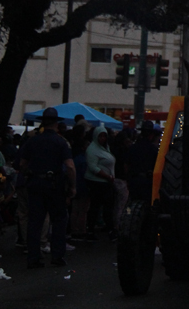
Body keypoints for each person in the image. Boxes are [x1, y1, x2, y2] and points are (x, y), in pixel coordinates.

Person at [20, 107, 76, 268]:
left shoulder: (32, 141)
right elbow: (70, 166)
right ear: (56, 124)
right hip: (54, 185)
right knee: (58, 220)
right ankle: (57, 255)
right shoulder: (61, 142)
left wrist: (28, 175)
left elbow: (22, 164)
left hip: (35, 184)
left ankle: (33, 257)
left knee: (35, 222)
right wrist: (72, 186)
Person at [85, 125, 118, 242]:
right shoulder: (92, 150)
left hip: (106, 182)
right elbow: (93, 167)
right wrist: (107, 176)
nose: (103, 138)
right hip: (97, 183)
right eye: (100, 136)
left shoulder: (105, 148)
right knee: (96, 207)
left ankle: (109, 230)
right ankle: (91, 230)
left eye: (104, 136)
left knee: (107, 207)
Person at [126, 121, 160, 204]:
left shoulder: (133, 147)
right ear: (151, 135)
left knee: (133, 203)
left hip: (134, 180)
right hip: (148, 181)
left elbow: (126, 165)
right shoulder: (153, 149)